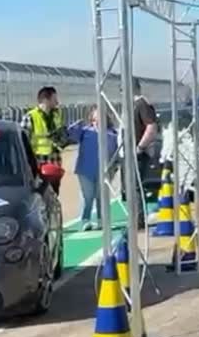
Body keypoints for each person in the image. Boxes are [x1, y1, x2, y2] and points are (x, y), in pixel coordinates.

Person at [67, 107, 118, 230]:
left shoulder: (112, 134)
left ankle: (102, 220)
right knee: (88, 197)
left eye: (100, 119)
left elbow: (116, 153)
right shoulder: (85, 131)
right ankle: (86, 220)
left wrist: (114, 168)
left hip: (104, 170)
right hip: (85, 170)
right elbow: (70, 135)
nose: (97, 122)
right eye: (95, 119)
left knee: (102, 196)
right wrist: (75, 126)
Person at [121, 78, 157, 229]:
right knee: (130, 187)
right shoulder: (132, 105)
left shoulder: (141, 104)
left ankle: (138, 220)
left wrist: (140, 147)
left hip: (137, 153)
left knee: (135, 186)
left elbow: (151, 127)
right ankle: (136, 218)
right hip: (129, 152)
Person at [22, 86, 68, 167]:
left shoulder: (56, 115)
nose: (57, 102)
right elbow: (23, 142)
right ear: (45, 100)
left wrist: (64, 138)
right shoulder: (30, 117)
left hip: (55, 160)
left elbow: (61, 138)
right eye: (54, 99)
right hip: (39, 161)